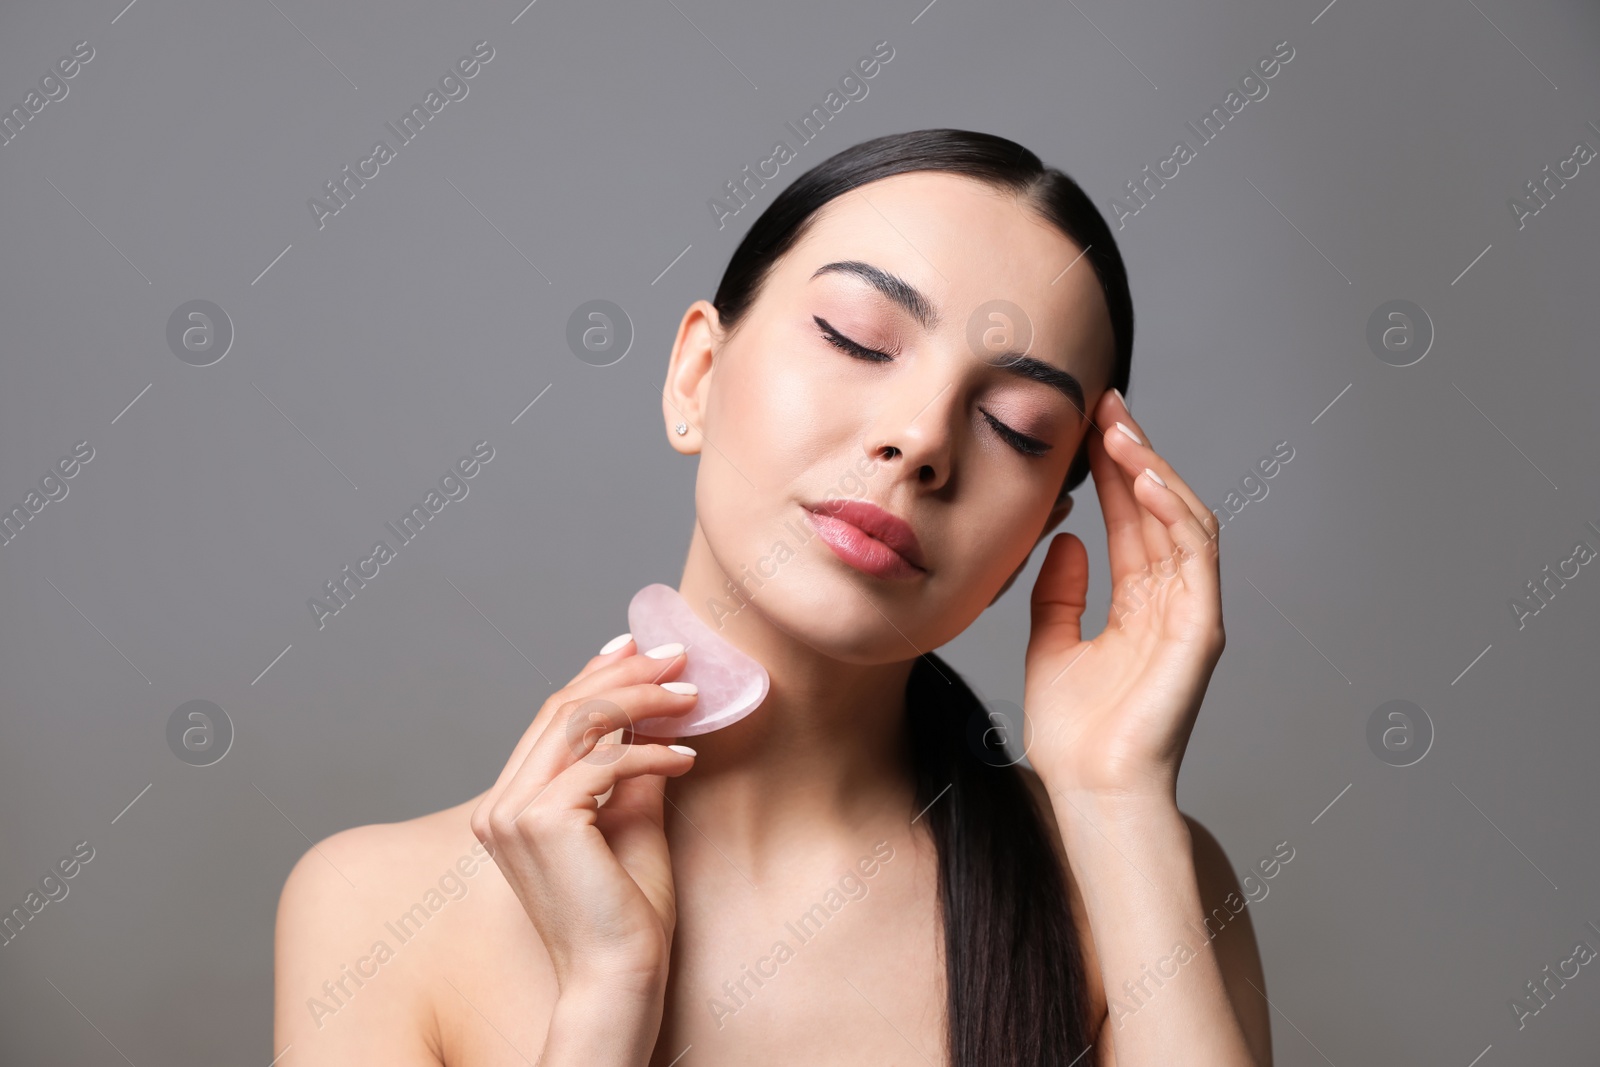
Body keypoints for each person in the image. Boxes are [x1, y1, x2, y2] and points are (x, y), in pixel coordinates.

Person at [273, 128, 1271, 1066]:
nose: (921, 437)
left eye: (1014, 425)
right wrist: (606, 999)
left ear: (1030, 547)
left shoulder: (1134, 878)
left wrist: (1113, 803)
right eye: (856, 337)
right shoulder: (376, 908)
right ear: (695, 375)